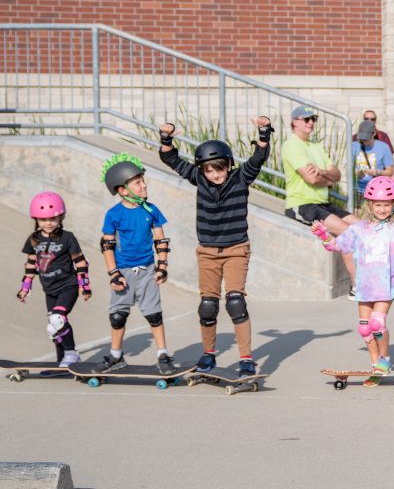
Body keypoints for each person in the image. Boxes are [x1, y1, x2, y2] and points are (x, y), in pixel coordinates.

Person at [158, 117, 273, 378]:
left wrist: (263, 132)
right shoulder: (198, 178)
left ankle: (246, 359)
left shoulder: (241, 178)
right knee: (208, 305)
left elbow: (258, 158)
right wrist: (166, 138)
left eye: (220, 169)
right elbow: (171, 160)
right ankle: (208, 355)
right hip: (207, 252)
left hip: (236, 250)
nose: (215, 175)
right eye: (209, 171)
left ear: (229, 165)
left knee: (235, 303)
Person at [311, 177, 394, 385]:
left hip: (386, 286)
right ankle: (376, 366)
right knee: (364, 328)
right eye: (378, 204)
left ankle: (384, 360)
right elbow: (335, 246)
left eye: (387, 205)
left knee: (377, 323)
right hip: (364, 287)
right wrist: (323, 235)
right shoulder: (358, 229)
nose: (382, 209)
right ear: (370, 204)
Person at [98, 153, 177, 374]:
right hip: (123, 272)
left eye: (143, 180)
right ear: (122, 190)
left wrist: (162, 267)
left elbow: (161, 241)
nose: (144, 185)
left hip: (148, 271)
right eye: (138, 182)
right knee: (117, 316)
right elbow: (107, 246)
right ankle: (116, 356)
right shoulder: (113, 214)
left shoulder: (151, 210)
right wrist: (113, 273)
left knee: (154, 314)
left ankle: (162, 354)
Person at [282, 106, 360, 297]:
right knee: (347, 231)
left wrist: (324, 173)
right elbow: (312, 179)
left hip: (322, 203)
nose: (311, 123)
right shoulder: (291, 145)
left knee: (365, 227)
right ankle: (357, 287)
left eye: (313, 119)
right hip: (302, 204)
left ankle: (378, 275)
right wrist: (327, 180)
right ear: (295, 121)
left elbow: (336, 173)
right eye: (306, 119)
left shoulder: (315, 144)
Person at [17, 192, 92, 373]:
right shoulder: (34, 239)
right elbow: (31, 264)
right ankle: (62, 361)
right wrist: (25, 287)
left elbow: (80, 261)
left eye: (52, 218)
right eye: (43, 220)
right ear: (36, 220)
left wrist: (84, 285)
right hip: (49, 290)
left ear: (61, 217)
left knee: (58, 318)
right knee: (52, 327)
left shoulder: (67, 237)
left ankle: (71, 353)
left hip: (68, 285)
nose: (48, 223)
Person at [351, 119, 394, 214]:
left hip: (377, 188)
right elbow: (349, 168)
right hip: (358, 188)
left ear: (374, 133)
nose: (365, 140)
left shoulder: (384, 147)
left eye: (367, 137)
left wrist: (377, 172)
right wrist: (356, 173)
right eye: (363, 137)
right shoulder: (354, 146)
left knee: (374, 214)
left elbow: (389, 172)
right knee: (357, 214)